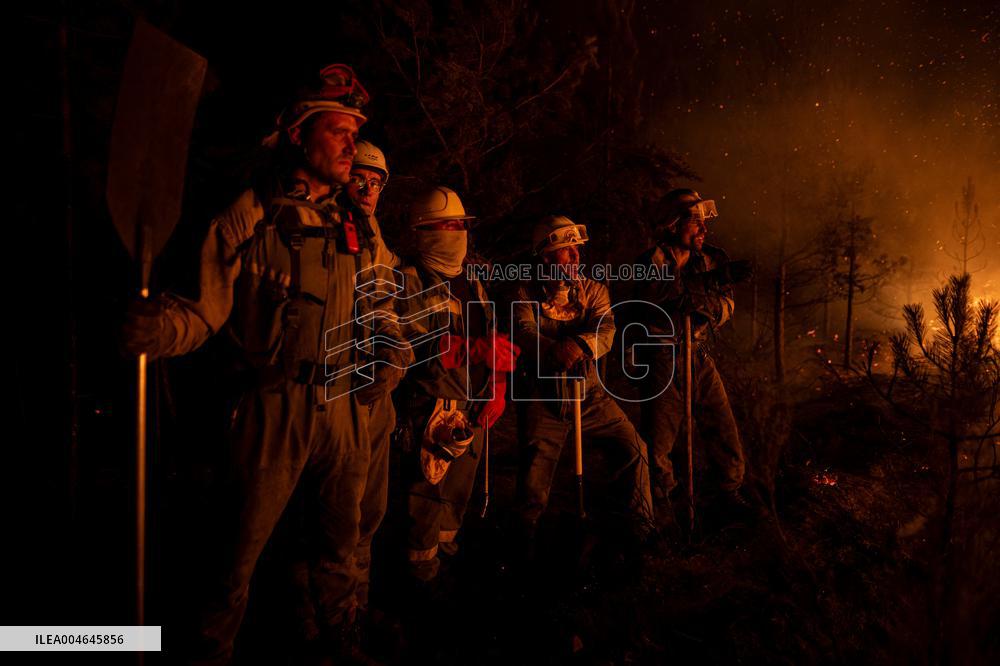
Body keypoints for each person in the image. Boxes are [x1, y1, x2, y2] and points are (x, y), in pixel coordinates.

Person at [121, 64, 411, 663]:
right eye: (338, 131)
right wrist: (157, 332)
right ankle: (209, 651)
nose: (351, 145)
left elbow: (385, 308)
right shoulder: (249, 216)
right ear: (299, 134)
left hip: (347, 414)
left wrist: (392, 351)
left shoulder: (361, 224)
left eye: (356, 133)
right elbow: (203, 313)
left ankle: (341, 644)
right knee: (233, 561)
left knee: (342, 551)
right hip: (273, 411)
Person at [394, 186, 518, 584]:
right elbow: (412, 348)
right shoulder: (409, 280)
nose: (457, 233)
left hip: (473, 408)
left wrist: (497, 387)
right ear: (425, 231)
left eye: (461, 225)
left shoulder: (473, 282)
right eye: (447, 225)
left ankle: (446, 567)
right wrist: (474, 351)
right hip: (430, 409)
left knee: (456, 499)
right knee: (424, 500)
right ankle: (417, 581)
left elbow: (493, 335)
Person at [513, 215, 654, 552]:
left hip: (591, 395)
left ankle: (640, 533)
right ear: (546, 257)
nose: (576, 256)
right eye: (567, 249)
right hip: (544, 397)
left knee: (635, 449)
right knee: (533, 480)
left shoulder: (594, 291)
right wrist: (552, 349)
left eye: (577, 248)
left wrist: (580, 345)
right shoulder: (525, 291)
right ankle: (524, 546)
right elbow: (523, 330)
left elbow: (606, 330)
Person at [632, 188, 753, 528]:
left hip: (697, 352)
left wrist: (706, 301)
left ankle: (729, 493)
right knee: (659, 440)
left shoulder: (713, 259)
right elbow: (655, 295)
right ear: (672, 225)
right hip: (660, 357)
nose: (703, 230)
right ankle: (662, 505)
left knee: (722, 426)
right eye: (694, 222)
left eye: (704, 223)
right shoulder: (648, 262)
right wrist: (704, 286)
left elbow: (726, 306)